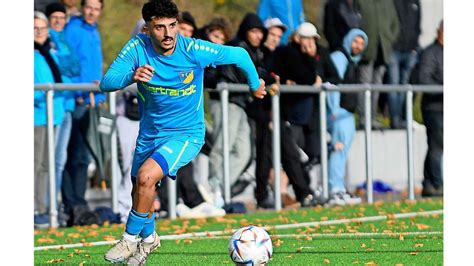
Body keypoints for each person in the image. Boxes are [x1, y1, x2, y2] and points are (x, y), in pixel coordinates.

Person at [99, 0, 266, 264]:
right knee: (139, 191)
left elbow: (240, 56)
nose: (168, 34)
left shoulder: (193, 49)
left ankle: (129, 240)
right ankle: (150, 239)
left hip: (186, 134)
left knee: (145, 178)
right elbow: (106, 82)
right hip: (150, 134)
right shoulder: (137, 48)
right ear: (147, 29)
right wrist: (132, 75)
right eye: (159, 27)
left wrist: (255, 85)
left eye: (172, 26)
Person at [62, 0, 105, 225]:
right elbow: (68, 64)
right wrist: (79, 91)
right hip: (78, 99)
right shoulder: (73, 29)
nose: (92, 12)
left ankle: (79, 203)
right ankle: (73, 205)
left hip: (92, 100)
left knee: (84, 157)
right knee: (74, 156)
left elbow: (94, 66)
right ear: (82, 8)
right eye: (89, 7)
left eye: (97, 9)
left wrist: (100, 95)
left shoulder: (94, 31)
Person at [45, 2, 81, 226]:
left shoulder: (64, 39)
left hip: (66, 105)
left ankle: (53, 207)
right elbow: (61, 67)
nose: (58, 20)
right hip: (51, 106)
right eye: (54, 17)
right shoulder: (44, 39)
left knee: (59, 161)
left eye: (61, 17)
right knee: (48, 161)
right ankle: (47, 207)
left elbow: (74, 67)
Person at [325, 28, 368, 205]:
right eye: (355, 41)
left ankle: (340, 187)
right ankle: (335, 189)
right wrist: (334, 110)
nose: (358, 46)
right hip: (339, 113)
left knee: (342, 152)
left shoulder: (351, 61)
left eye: (361, 43)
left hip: (347, 113)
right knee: (338, 149)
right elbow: (332, 84)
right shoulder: (339, 57)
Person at [34, 11, 66, 228]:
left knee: (47, 165)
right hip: (36, 117)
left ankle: (43, 208)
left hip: (54, 116)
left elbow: (61, 78)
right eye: (34, 29)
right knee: (35, 165)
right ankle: (35, 209)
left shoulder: (49, 52)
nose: (38, 32)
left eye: (42, 28)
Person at [355, 0, 399, 129]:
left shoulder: (388, 3)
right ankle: (364, 119)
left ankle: (372, 117)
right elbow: (355, 23)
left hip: (383, 51)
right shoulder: (361, 2)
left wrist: (389, 39)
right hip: (366, 52)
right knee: (364, 85)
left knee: (376, 86)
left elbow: (395, 24)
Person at [387, 0, 421, 129]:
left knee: (407, 86)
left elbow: (417, 25)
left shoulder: (416, 2)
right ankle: (395, 120)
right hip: (394, 51)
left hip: (410, 51)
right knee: (393, 86)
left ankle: (404, 118)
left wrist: (414, 45)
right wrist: (390, 44)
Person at [419, 20, 443, 197]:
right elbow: (424, 79)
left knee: (436, 146)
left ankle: (429, 183)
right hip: (434, 107)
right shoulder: (430, 53)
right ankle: (437, 183)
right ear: (439, 32)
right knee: (437, 146)